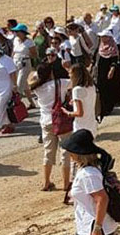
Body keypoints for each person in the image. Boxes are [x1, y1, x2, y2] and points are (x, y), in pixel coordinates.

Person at [60, 130, 118, 235]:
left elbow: (102, 199)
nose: (70, 154)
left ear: (78, 153)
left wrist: (97, 228)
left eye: (71, 151)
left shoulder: (88, 174)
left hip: (94, 227)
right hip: (92, 226)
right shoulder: (91, 168)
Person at [30, 62, 71, 193]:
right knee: (65, 152)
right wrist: (67, 68)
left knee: (48, 152)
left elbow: (30, 77)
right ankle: (66, 183)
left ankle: (46, 181)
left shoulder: (36, 87)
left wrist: (37, 74)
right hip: (60, 119)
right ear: (51, 73)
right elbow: (76, 79)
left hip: (46, 121)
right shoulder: (60, 83)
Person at [93, 31, 120, 120]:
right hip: (100, 72)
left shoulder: (113, 48)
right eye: (101, 37)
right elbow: (95, 57)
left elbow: (114, 60)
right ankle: (102, 109)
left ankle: (108, 108)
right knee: (101, 89)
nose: (102, 38)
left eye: (104, 37)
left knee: (109, 90)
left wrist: (112, 70)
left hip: (109, 73)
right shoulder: (100, 47)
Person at [64, 64, 98, 137]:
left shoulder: (77, 90)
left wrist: (67, 113)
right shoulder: (92, 86)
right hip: (91, 124)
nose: (69, 75)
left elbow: (79, 113)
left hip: (81, 125)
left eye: (70, 73)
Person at [11, 24, 38, 109]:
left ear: (23, 33)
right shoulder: (15, 40)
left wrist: (25, 57)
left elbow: (34, 54)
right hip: (16, 63)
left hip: (24, 64)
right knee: (25, 85)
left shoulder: (29, 42)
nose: (16, 33)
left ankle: (15, 105)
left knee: (19, 85)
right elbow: (14, 52)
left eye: (17, 31)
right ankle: (32, 103)